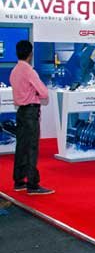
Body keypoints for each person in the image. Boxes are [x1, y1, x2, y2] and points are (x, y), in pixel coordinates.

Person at [9, 40, 54, 195]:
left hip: (21, 112)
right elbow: (44, 93)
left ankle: (19, 180)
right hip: (30, 112)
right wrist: (35, 93)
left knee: (21, 146)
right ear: (30, 54)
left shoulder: (14, 70)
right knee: (31, 148)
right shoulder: (29, 71)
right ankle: (33, 184)